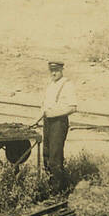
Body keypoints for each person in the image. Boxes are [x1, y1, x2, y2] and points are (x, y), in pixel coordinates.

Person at [38, 61, 77, 191]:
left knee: (55, 157)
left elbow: (72, 108)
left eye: (56, 70)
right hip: (48, 122)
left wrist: (53, 113)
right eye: (51, 70)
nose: (53, 73)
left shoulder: (67, 85)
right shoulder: (51, 84)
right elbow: (45, 104)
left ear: (62, 70)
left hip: (59, 123)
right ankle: (51, 186)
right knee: (47, 154)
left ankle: (59, 191)